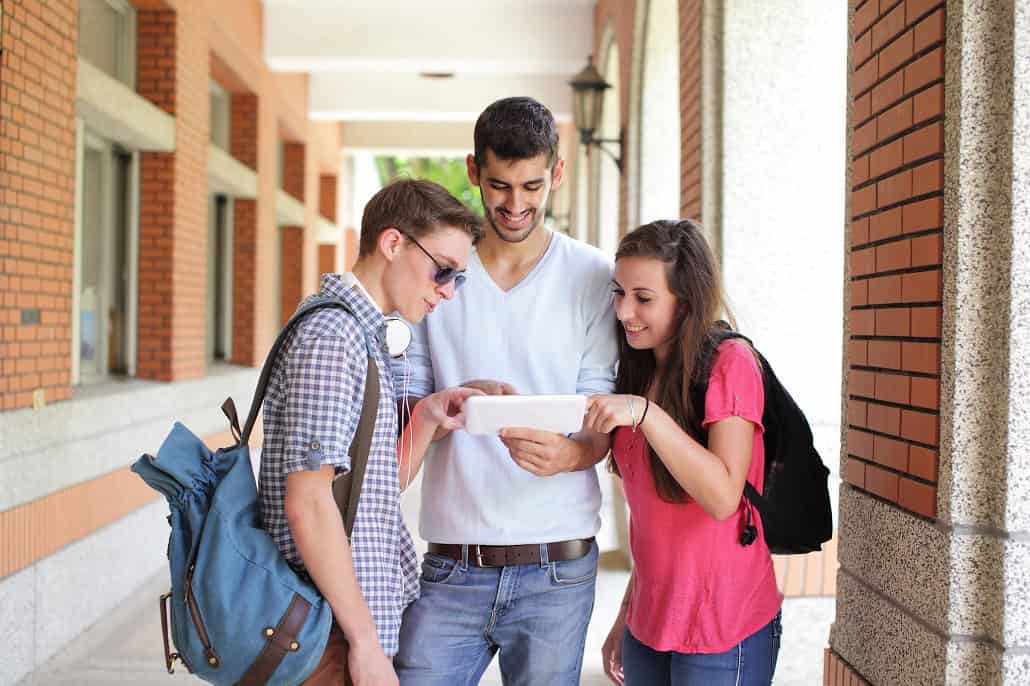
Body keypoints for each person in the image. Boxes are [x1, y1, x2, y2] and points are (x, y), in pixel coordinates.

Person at [391, 97, 618, 685]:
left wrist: (573, 453)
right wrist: (440, 412)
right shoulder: (439, 275)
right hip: (450, 566)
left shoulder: (593, 276)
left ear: (557, 175)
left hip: (558, 571)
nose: (515, 205)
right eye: (498, 185)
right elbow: (407, 420)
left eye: (531, 186)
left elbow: (601, 415)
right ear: (473, 171)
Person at [258, 179, 484, 686]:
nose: (447, 290)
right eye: (443, 270)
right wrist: (362, 643)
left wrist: (425, 417)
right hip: (323, 632)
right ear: (392, 243)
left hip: (335, 624)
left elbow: (365, 492)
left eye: (458, 279)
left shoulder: (362, 334)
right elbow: (309, 503)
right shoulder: (333, 336)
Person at [584, 219, 783, 686]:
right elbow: (655, 523)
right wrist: (628, 614)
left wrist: (646, 414)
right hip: (650, 623)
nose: (623, 311)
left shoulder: (729, 365)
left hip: (722, 627)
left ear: (686, 302)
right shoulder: (639, 370)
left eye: (643, 298)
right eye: (619, 292)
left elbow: (721, 497)